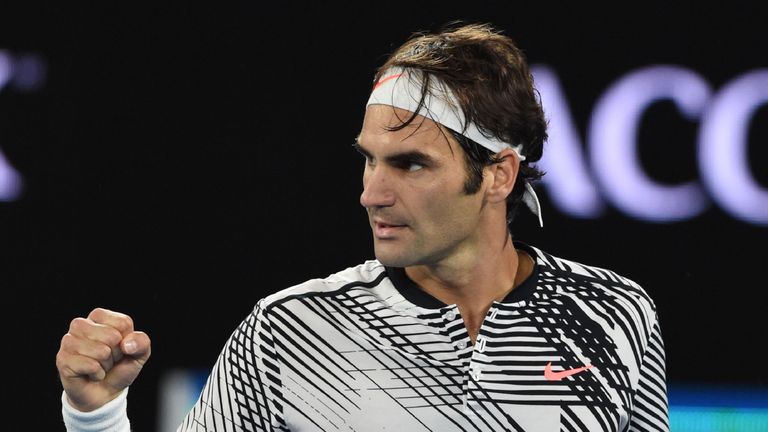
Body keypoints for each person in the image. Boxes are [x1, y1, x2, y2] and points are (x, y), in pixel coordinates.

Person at [56, 22, 669, 431]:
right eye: (370, 159)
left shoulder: (616, 316)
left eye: (410, 164)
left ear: (498, 175)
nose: (371, 193)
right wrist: (97, 415)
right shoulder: (287, 334)